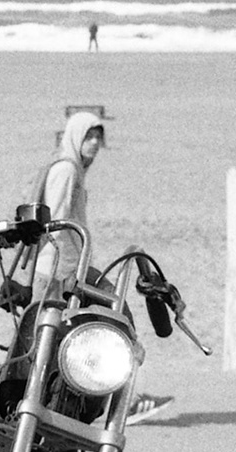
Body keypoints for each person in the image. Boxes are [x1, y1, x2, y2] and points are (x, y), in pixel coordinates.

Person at [22, 107, 173, 423]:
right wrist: (73, 271)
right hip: (59, 272)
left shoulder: (71, 168)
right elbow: (57, 224)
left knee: (99, 328)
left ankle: (122, 401)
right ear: (75, 136)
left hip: (67, 268)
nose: (94, 144)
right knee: (106, 326)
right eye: (88, 136)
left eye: (97, 137)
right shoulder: (66, 170)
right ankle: (122, 404)